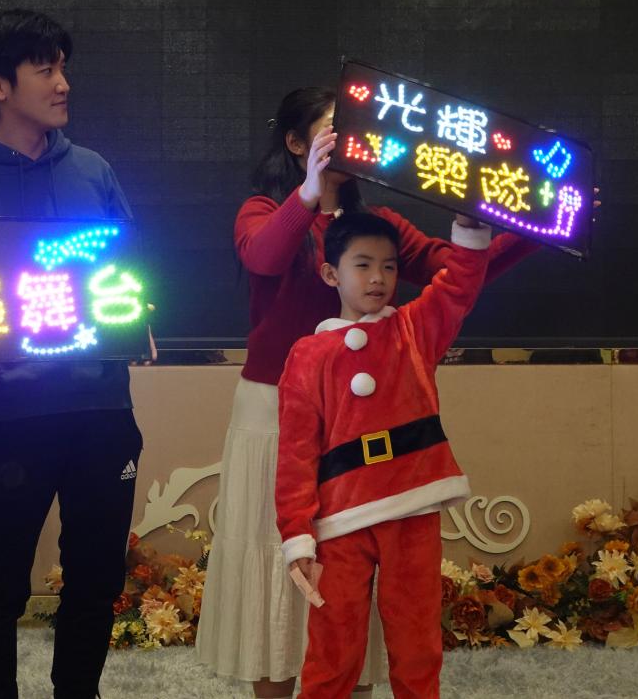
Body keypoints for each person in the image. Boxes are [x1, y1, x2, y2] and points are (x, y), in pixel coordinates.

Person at [196, 87, 537, 697]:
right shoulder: (263, 209)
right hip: (274, 411)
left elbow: (457, 270)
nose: (351, 135)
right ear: (296, 143)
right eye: (334, 126)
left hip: (361, 426)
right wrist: (308, 191)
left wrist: (539, 224)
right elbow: (265, 258)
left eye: (356, 125)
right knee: (280, 559)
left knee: (353, 582)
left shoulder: (374, 226)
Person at [0, 9, 141, 699]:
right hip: (10, 414)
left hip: (102, 408)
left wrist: (139, 317)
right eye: (45, 69)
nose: (63, 83)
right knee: (1, 588)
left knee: (96, 578)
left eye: (62, 67)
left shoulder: (94, 171)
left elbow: (126, 270)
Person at [275, 210, 494, 698]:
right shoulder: (308, 355)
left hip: (411, 512)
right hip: (340, 523)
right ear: (330, 273)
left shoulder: (414, 329)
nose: (378, 278)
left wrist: (471, 227)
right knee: (332, 648)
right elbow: (295, 456)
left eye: (390, 266)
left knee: (417, 643)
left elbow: (460, 283)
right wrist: (298, 536)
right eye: (363, 265)